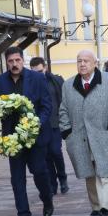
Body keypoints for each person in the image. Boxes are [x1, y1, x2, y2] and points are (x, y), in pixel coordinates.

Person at [59, 50, 108, 216]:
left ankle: (105, 210)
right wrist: (67, 132)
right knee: (89, 174)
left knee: (104, 173)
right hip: (79, 137)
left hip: (104, 134)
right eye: (79, 61)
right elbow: (63, 110)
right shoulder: (68, 85)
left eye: (86, 61)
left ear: (95, 63)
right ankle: (96, 208)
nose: (82, 64)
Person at [0, 47, 54, 216]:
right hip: (13, 137)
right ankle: (23, 214)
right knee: (17, 177)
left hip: (35, 135)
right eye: (11, 61)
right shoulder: (0, 81)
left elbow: (46, 106)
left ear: (23, 60)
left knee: (39, 171)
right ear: (6, 63)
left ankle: (47, 198)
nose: (14, 64)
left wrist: (35, 124)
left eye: (17, 60)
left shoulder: (37, 78)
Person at [29, 57, 69, 195]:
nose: (38, 74)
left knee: (56, 152)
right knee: (46, 155)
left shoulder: (55, 80)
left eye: (40, 71)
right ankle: (53, 184)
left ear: (45, 68)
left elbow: (64, 101)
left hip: (55, 123)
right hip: (40, 125)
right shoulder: (30, 84)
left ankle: (63, 178)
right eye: (35, 72)